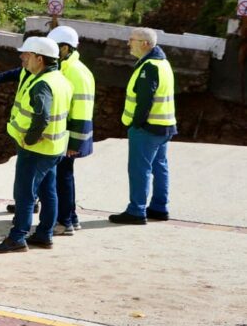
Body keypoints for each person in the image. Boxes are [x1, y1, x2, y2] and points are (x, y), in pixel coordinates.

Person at [0, 37, 71, 253]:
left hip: (36, 149)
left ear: (39, 58)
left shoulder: (42, 84)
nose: (22, 58)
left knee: (25, 194)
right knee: (48, 192)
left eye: (26, 55)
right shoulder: (60, 79)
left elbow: (42, 116)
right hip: (53, 148)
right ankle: (45, 234)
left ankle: (17, 237)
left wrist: (30, 138)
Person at [110, 27, 176, 225]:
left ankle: (136, 211)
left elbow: (145, 100)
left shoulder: (149, 67)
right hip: (164, 125)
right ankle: (159, 207)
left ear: (145, 44)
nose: (128, 43)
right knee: (160, 167)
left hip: (148, 128)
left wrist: (136, 124)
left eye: (132, 40)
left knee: (140, 169)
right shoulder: (162, 63)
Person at [46, 25, 95, 235]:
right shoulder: (69, 68)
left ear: (65, 48)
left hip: (69, 137)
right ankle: (71, 218)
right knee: (65, 176)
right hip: (66, 135)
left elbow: (82, 111)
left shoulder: (75, 72)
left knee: (62, 177)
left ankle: (64, 221)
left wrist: (74, 144)